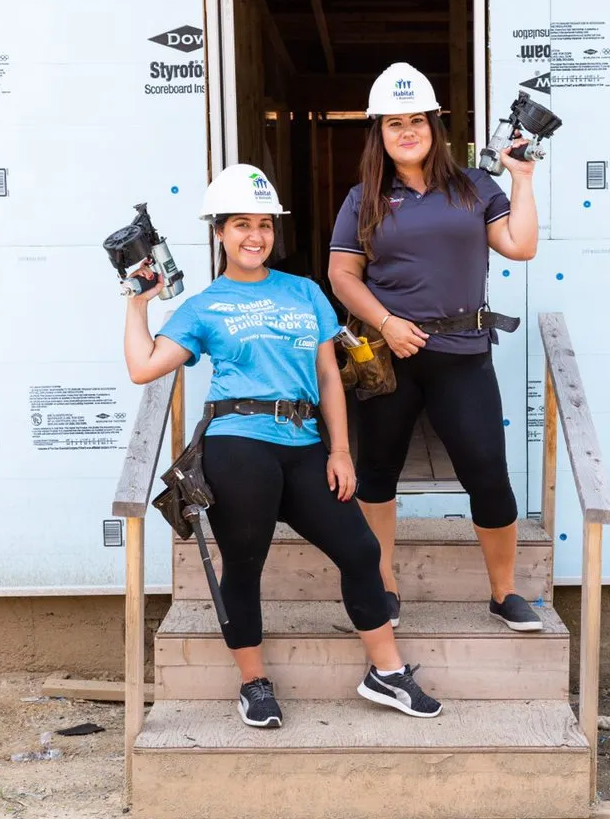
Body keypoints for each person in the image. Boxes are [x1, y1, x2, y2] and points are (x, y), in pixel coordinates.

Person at [122, 163, 442, 728]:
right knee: (244, 567)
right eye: (241, 224)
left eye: (265, 225)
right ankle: (254, 683)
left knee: (361, 551)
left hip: (305, 443)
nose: (255, 236)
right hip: (237, 442)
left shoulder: (304, 292)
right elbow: (144, 367)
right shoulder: (203, 305)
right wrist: (137, 303)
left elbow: (327, 378)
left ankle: (386, 673)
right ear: (219, 232)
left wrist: (340, 452)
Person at [328, 62, 543, 633]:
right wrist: (387, 321)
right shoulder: (364, 198)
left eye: (416, 120)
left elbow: (520, 245)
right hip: (390, 357)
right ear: (379, 131)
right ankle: (385, 584)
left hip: (463, 355)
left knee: (488, 476)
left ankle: (503, 593)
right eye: (394, 122)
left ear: (434, 126)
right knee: (377, 474)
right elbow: (342, 273)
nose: (407, 131)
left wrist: (521, 178)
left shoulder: (475, 185)